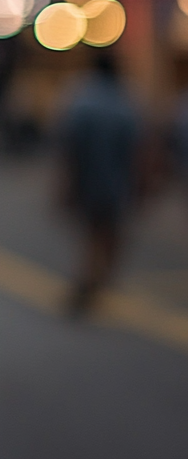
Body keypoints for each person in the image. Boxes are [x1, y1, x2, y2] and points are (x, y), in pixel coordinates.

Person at [57, 49, 142, 313]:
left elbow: (68, 146)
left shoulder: (82, 99)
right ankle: (95, 280)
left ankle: (90, 281)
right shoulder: (125, 101)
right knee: (108, 233)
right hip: (116, 181)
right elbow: (137, 149)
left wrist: (66, 182)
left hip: (87, 179)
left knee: (91, 234)